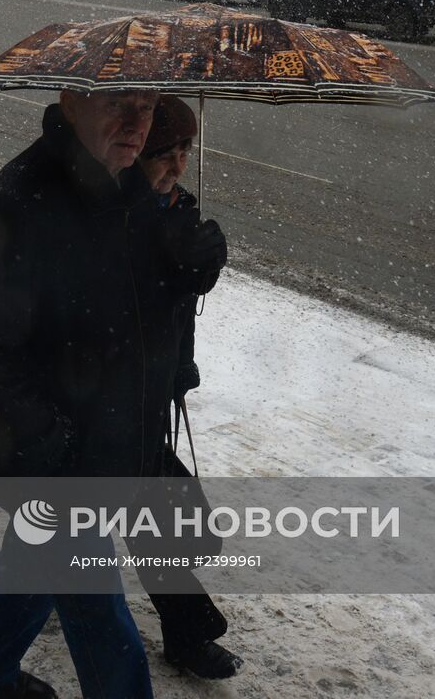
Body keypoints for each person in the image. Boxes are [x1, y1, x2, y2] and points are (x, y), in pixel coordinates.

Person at [0, 88, 228, 698]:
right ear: (70, 102)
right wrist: (48, 438)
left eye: (147, 107)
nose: (136, 125)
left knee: (38, 560)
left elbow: (133, 305)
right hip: (51, 451)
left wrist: (190, 267)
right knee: (99, 615)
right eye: (119, 104)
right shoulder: (22, 201)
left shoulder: (129, 189)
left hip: (112, 433)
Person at [129, 95, 242, 680]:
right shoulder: (116, 213)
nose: (175, 166)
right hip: (107, 394)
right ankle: (188, 632)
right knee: (160, 517)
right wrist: (168, 264)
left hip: (152, 386)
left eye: (183, 153)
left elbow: (176, 308)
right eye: (161, 155)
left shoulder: (175, 206)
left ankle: (34, 596)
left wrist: (199, 270)